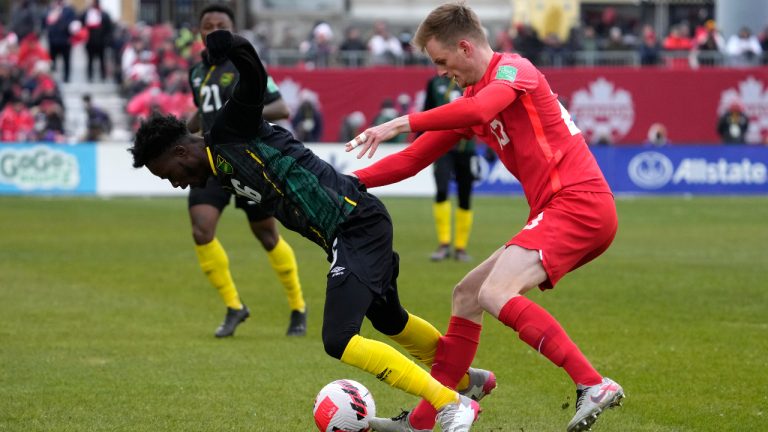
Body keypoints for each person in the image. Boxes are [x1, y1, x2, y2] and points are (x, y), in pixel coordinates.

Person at [130, 29, 489, 432]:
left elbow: (251, 73)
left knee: (338, 338)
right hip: (349, 229)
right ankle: (466, 380)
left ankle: (450, 404)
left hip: (354, 223)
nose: (176, 184)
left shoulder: (231, 130)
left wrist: (229, 44)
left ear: (181, 151)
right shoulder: (219, 169)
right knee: (389, 319)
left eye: (170, 174)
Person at [346, 3, 625, 432]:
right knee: (468, 295)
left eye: (442, 62)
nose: (441, 73)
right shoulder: (473, 98)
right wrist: (343, 182)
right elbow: (413, 160)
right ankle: (422, 422)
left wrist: (401, 121)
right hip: (561, 208)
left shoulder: (515, 70)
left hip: (578, 202)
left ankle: (592, 383)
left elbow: (476, 114)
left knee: (496, 292)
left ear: (464, 46)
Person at [185, 4, 307, 338]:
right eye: (207, 25)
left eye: (219, 25)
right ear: (200, 32)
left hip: (248, 161)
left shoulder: (245, 65)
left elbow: (281, 107)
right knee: (201, 230)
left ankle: (298, 307)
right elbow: (202, 110)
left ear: (232, 30)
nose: (212, 30)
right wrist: (181, 132)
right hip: (210, 161)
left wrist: (238, 118)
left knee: (267, 235)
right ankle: (234, 306)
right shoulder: (197, 72)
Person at [422, 74, 477, 262]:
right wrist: (421, 143)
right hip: (441, 146)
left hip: (466, 147)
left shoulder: (470, 80)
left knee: (465, 195)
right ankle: (444, 244)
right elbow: (426, 112)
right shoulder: (434, 82)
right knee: (442, 191)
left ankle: (460, 248)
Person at [43, 0, 76, 83]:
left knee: (66, 61)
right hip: (53, 40)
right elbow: (45, 21)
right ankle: (51, 79)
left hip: (65, 40)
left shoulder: (69, 10)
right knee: (52, 62)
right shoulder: (50, 8)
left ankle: (66, 78)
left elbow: (73, 22)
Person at [80, 0, 113, 82]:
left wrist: (107, 40)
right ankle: (90, 76)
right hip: (90, 42)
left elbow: (109, 29)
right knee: (90, 60)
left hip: (101, 42)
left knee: (102, 60)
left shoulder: (104, 14)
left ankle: (103, 76)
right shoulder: (87, 14)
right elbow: (81, 22)